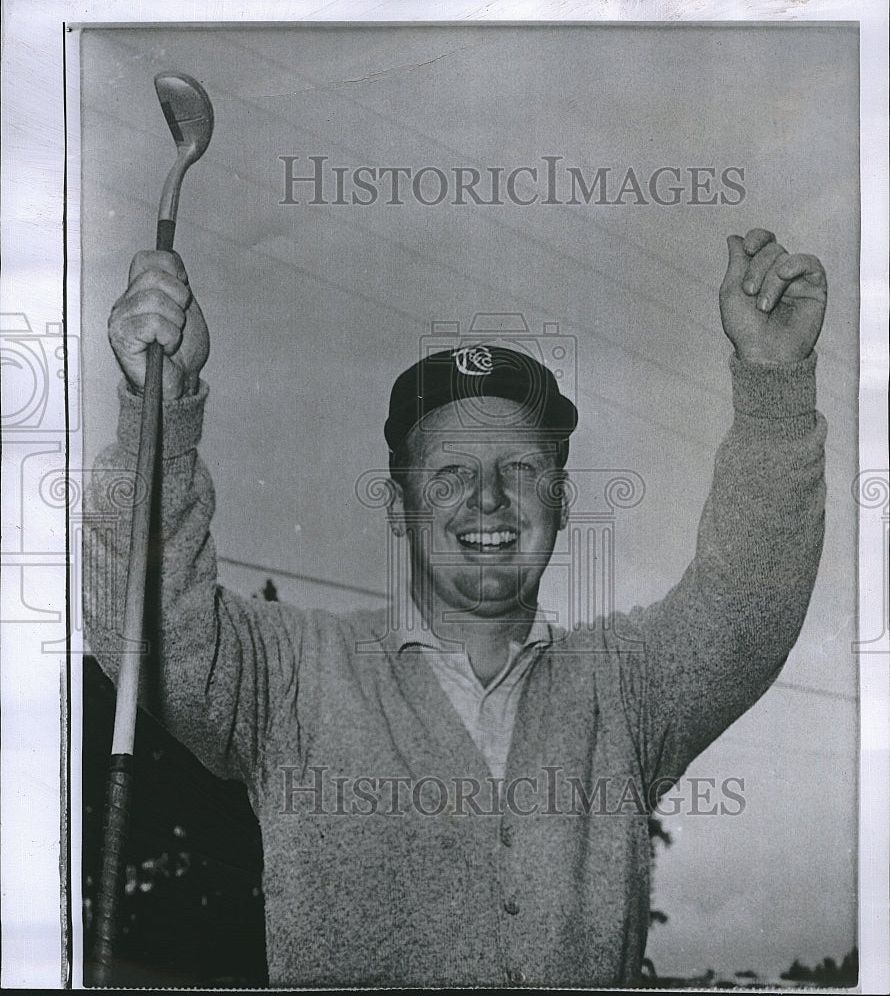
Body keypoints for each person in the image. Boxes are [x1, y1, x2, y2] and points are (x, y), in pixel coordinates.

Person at [86, 227, 828, 987]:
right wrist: (161, 407)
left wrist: (775, 385)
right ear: (398, 507)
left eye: (520, 469)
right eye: (448, 474)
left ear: (563, 504)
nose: (487, 499)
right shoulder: (290, 671)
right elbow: (143, 625)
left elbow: (746, 607)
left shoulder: (624, 688)